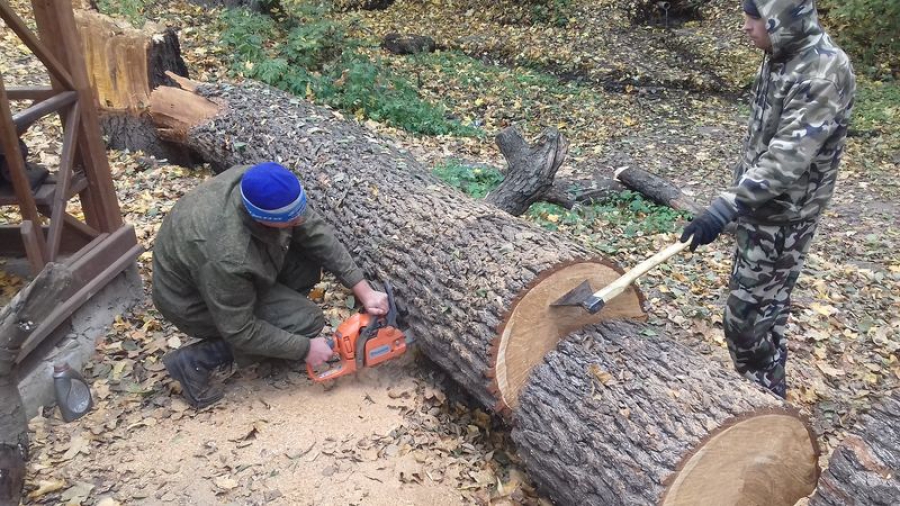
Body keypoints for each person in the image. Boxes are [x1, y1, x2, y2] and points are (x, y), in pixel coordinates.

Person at [680, 0, 855, 398]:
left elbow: (786, 157)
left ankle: (764, 399)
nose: (745, 27)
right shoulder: (781, 55)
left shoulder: (822, 72)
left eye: (754, 18)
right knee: (762, 312)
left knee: (744, 322)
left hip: (784, 217)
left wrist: (725, 207)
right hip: (761, 207)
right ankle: (768, 396)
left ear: (782, 22)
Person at [152, 162, 388, 408]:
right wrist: (303, 348)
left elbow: (314, 232)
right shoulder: (228, 255)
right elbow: (239, 329)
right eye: (290, 218)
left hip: (222, 274)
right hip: (190, 300)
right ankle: (197, 360)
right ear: (263, 220)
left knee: (305, 261)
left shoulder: (263, 184)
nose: (300, 219)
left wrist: (363, 289)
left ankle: (276, 324)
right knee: (305, 321)